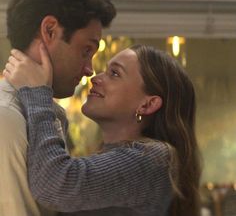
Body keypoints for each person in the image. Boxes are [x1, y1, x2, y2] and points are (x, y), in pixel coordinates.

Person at [4, 43, 201, 216]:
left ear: (147, 104)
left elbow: (55, 185)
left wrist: (37, 92)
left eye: (114, 73)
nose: (95, 77)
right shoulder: (114, 157)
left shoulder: (156, 159)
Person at [0, 0, 116, 215]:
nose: (89, 70)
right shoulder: (7, 119)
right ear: (50, 30)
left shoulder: (48, 114)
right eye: (86, 50)